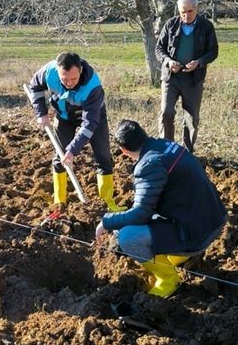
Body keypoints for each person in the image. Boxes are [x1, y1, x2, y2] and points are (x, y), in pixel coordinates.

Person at [95, 120, 227, 298]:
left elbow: (141, 213)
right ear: (144, 134)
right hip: (212, 217)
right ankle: (172, 259)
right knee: (136, 223)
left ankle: (168, 279)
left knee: (127, 237)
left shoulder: (148, 166)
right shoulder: (166, 145)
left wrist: (107, 221)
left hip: (197, 233)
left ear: (124, 151)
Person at [26, 52, 125, 212]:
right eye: (64, 79)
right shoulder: (49, 72)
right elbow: (35, 86)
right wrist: (41, 113)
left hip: (92, 117)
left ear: (80, 71)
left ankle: (106, 204)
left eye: (73, 79)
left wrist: (73, 150)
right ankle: (60, 202)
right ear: (58, 72)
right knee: (59, 157)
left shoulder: (93, 86)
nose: (69, 83)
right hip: (64, 115)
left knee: (103, 157)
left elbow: (89, 124)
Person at [155, 0, 218, 153]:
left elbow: (213, 51)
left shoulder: (206, 26)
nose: (186, 15)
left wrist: (199, 62)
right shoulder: (170, 24)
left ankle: (186, 153)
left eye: (190, 11)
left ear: (196, 9)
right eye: (183, 11)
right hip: (171, 77)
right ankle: (167, 149)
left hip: (194, 79)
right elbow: (159, 49)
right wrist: (169, 61)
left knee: (191, 118)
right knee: (166, 112)